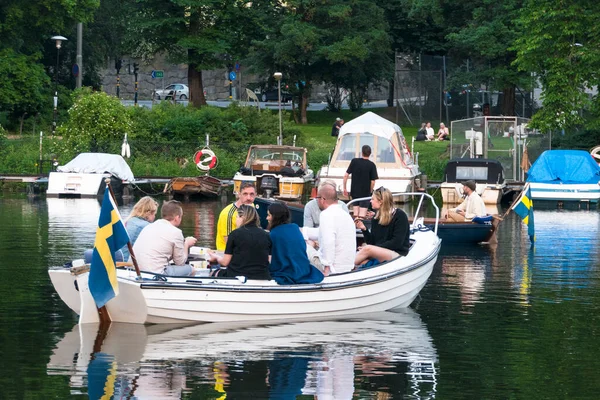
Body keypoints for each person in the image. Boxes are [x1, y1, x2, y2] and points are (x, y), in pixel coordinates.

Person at [132, 200, 197, 276]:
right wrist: (186, 244)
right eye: (181, 217)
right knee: (191, 269)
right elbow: (180, 262)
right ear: (177, 217)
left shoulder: (150, 226)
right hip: (155, 273)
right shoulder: (176, 232)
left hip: (136, 271)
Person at [208, 204, 271, 280]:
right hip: (262, 276)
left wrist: (216, 257)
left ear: (242, 217)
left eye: (237, 217)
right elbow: (269, 260)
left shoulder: (234, 234)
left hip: (237, 275)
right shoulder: (266, 235)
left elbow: (225, 262)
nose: (236, 220)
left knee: (213, 273)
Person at [305, 183, 356, 275]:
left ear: (323, 199)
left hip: (332, 269)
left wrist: (326, 266)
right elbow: (322, 233)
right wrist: (303, 231)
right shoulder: (346, 215)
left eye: (317, 198)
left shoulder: (326, 214)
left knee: (303, 246)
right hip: (348, 266)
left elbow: (329, 242)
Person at [267, 202, 324, 284]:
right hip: (303, 270)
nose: (266, 218)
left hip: (287, 273)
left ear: (275, 217)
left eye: (269, 215)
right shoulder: (295, 228)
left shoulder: (273, 234)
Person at [354, 187, 410, 265]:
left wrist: (373, 249)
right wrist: (364, 229)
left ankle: (344, 269)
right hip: (382, 252)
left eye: (373, 199)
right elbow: (372, 242)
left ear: (381, 201)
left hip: (398, 253)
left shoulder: (400, 216)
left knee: (367, 249)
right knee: (363, 262)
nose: (370, 201)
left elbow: (396, 243)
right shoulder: (376, 217)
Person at [216, 182, 256, 251]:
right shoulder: (228, 214)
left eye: (251, 194)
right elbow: (229, 243)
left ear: (256, 195)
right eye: (245, 194)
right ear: (239, 194)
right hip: (227, 253)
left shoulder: (251, 206)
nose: (248, 198)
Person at [343, 145, 378, 220]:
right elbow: (373, 182)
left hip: (355, 192)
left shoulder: (354, 161)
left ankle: (355, 228)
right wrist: (370, 191)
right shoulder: (371, 165)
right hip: (365, 193)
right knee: (362, 215)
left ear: (361, 152)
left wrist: (344, 188)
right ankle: (361, 229)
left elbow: (346, 175)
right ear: (370, 153)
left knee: (356, 213)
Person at [120, 196, 158, 261]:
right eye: (154, 214)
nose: (154, 217)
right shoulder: (146, 226)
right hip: (128, 263)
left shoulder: (127, 221)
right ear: (150, 213)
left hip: (118, 260)